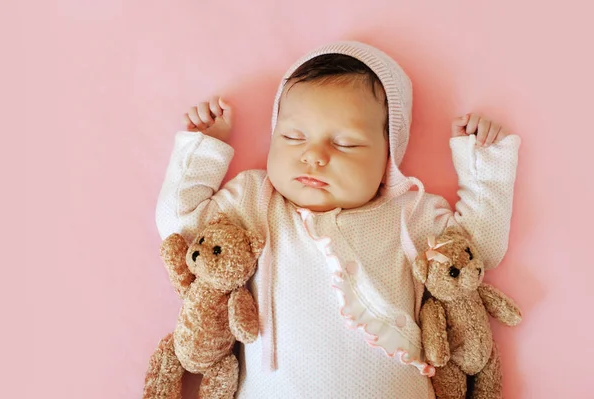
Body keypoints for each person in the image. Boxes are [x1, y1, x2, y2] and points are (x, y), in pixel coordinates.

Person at [155, 41, 520, 398]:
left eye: (345, 143)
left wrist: (482, 165)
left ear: (387, 161)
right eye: (293, 136)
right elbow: (181, 229)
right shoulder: (256, 200)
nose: (314, 155)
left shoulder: (410, 213)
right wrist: (204, 150)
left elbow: (478, 251)